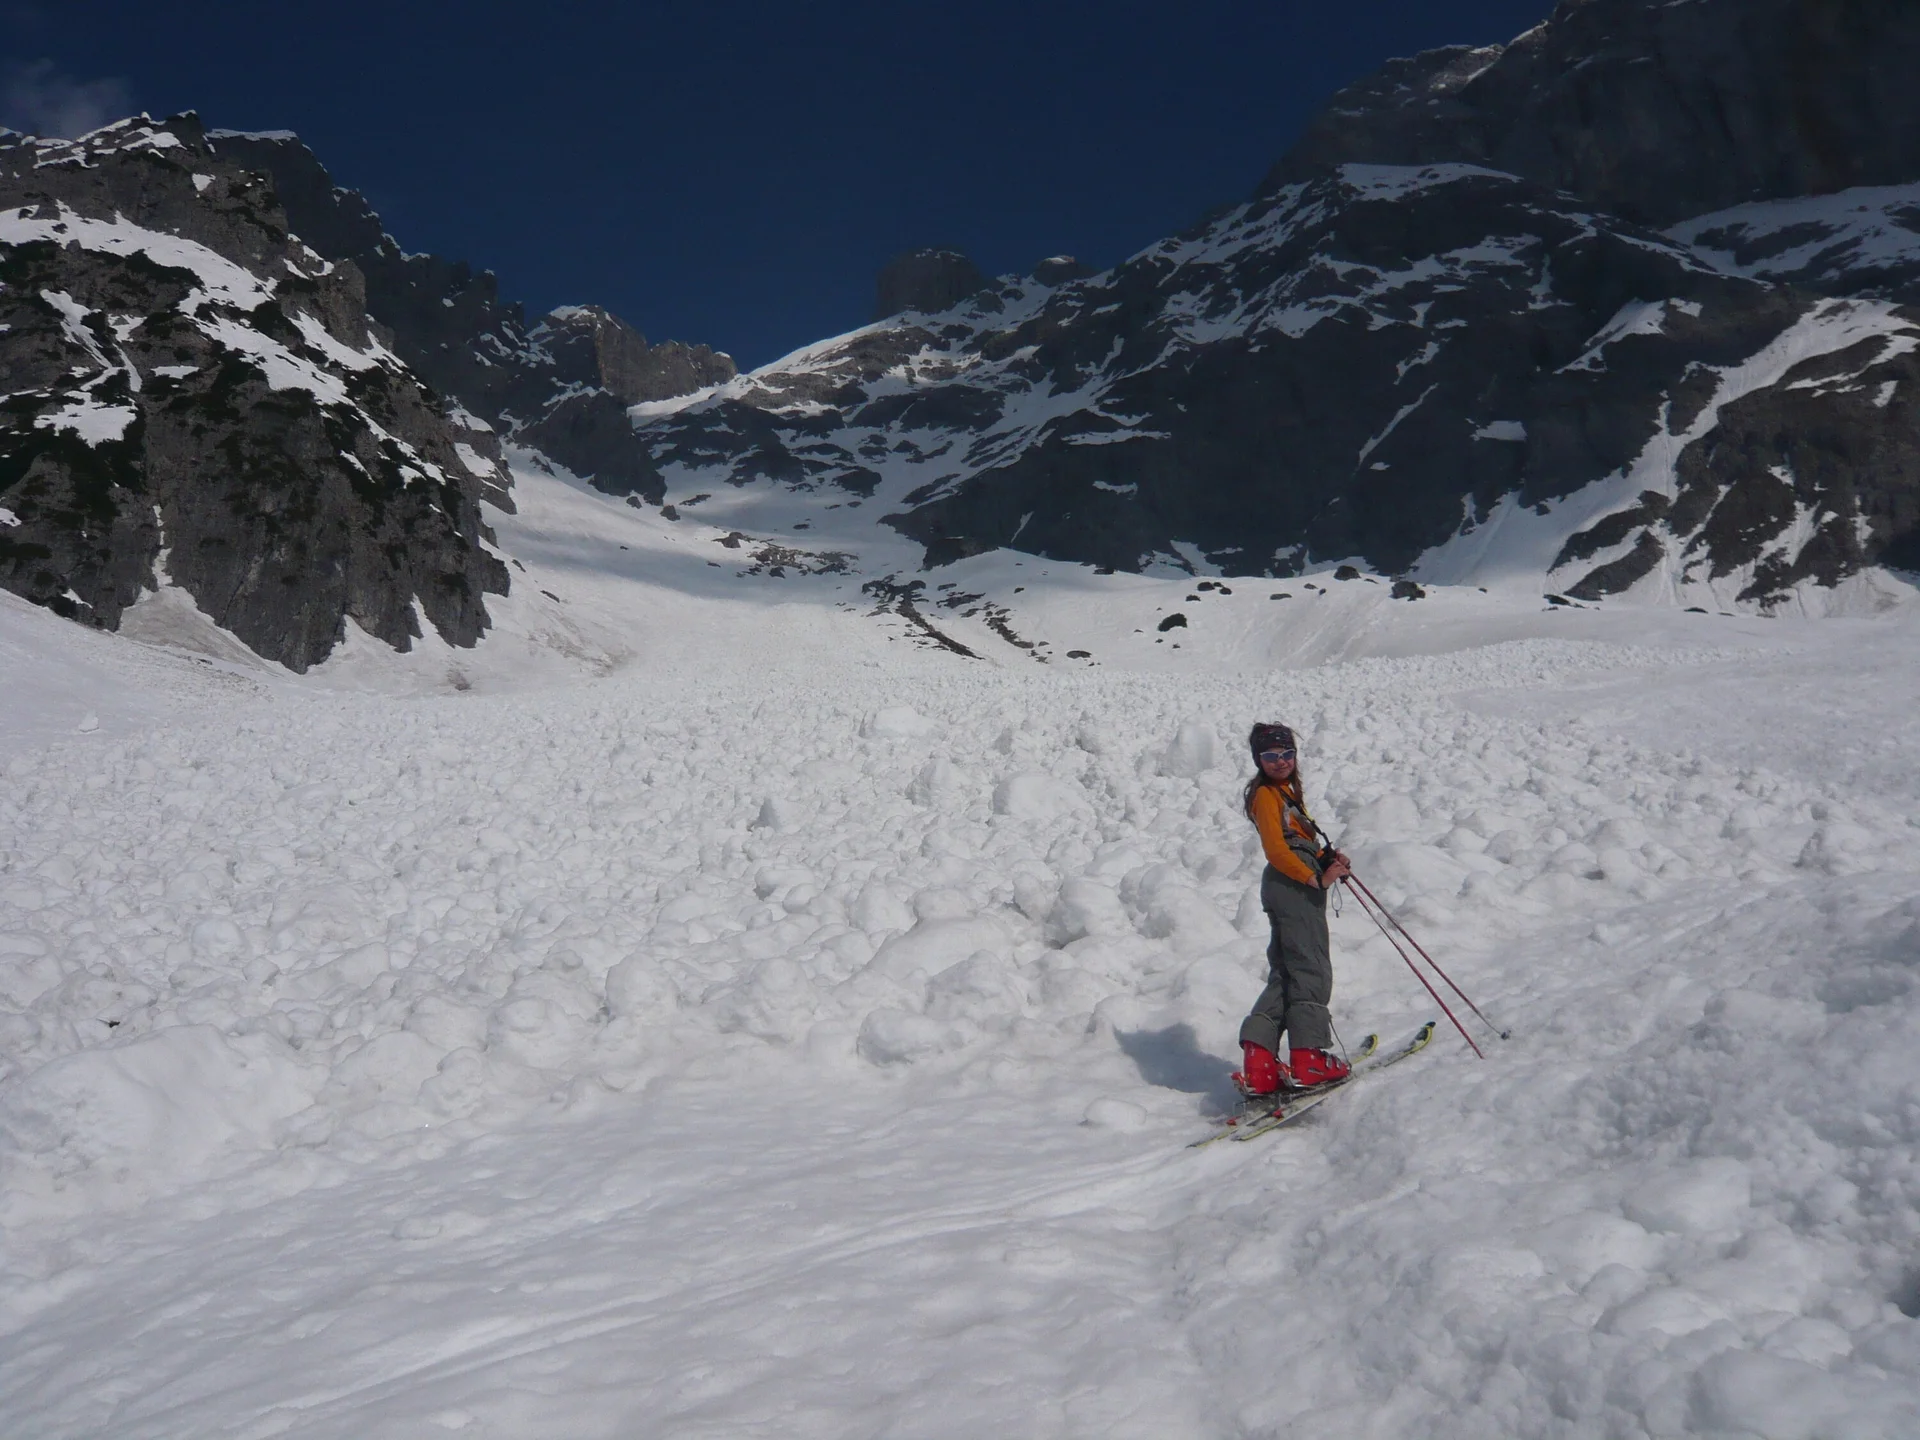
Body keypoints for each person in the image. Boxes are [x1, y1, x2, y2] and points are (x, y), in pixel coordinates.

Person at [1232, 721, 1354, 1096]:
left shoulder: (1284, 792)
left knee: (1287, 971)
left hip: (1287, 885)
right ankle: (1309, 1058)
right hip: (1293, 887)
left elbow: (1293, 840)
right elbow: (1277, 850)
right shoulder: (1267, 795)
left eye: (1287, 754)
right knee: (1310, 967)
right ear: (1258, 759)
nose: (1281, 761)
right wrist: (1314, 878)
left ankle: (1261, 1064)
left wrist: (1323, 856)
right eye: (1271, 756)